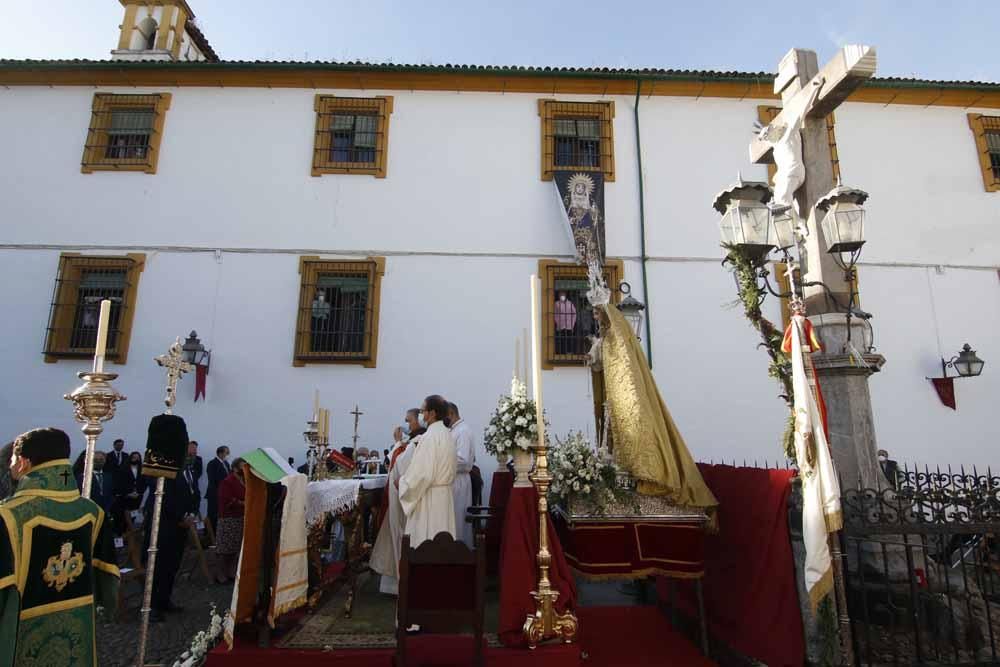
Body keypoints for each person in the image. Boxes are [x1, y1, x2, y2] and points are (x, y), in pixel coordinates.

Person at [0, 428, 119, 666]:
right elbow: (108, 578)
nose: (10, 465)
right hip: (78, 629)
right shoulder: (92, 512)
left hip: (19, 634)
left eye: (12, 459)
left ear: (23, 462)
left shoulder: (8, 515)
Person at [399, 395, 457, 546]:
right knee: (444, 543)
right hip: (444, 497)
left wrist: (403, 484)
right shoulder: (447, 434)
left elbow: (422, 474)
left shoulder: (430, 437)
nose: (421, 415)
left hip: (430, 499)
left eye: (423, 411)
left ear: (432, 413)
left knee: (427, 543)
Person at [370, 425, 417, 595]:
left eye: (408, 421)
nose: (405, 427)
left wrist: (397, 444)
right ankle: (392, 584)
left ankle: (398, 585)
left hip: (403, 502)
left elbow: (398, 467)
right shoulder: (406, 447)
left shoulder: (412, 447)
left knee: (399, 537)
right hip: (397, 499)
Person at [447, 402, 476, 547]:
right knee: (451, 520)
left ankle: (460, 552)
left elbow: (463, 460)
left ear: (451, 414)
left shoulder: (462, 431)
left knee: (458, 519)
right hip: (453, 480)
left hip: (458, 480)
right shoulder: (454, 430)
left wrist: (442, 463)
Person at [215, 458, 246, 583]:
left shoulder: (244, 481)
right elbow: (226, 498)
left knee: (235, 549)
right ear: (235, 468)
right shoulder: (228, 481)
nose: (244, 470)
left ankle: (231, 572)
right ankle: (220, 574)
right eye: (242, 467)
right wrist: (242, 503)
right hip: (228, 519)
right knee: (225, 549)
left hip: (240, 518)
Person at [77, 451, 115, 519]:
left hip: (106, 513)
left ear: (105, 461)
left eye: (101, 459)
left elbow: (111, 494)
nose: (98, 462)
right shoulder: (83, 477)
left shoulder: (109, 476)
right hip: (89, 514)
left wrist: (107, 509)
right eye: (95, 460)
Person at [205, 445, 231, 534]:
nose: (228, 455)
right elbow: (212, 480)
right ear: (220, 453)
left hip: (224, 494)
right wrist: (219, 492)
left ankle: (219, 533)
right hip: (214, 494)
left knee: (221, 515)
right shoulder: (212, 463)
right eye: (226, 453)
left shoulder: (226, 464)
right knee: (213, 515)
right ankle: (210, 535)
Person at [182, 442, 203, 516]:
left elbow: (199, 473)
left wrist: (192, 478)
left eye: (195, 448)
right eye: (193, 448)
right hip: (183, 493)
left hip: (193, 487)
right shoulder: (180, 459)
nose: (195, 450)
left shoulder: (198, 459)